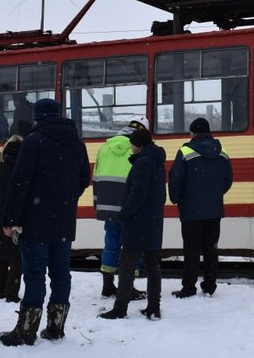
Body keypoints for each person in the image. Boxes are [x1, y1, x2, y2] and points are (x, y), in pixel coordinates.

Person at [0, 98, 90, 347]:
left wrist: (10, 219)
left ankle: (27, 331)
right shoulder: (77, 143)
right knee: (61, 273)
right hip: (63, 221)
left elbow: (20, 183)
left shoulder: (33, 141)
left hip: (35, 220)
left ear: (37, 117)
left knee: (35, 274)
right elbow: (84, 178)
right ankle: (55, 327)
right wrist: (65, 199)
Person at [99, 128, 167, 320]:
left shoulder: (142, 164)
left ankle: (120, 308)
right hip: (153, 222)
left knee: (126, 266)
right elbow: (161, 195)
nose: (131, 147)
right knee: (153, 266)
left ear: (140, 145)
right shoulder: (157, 162)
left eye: (133, 144)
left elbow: (136, 195)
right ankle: (154, 307)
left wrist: (125, 213)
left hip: (138, 222)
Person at [168, 117, 233, 299]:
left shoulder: (186, 151)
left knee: (191, 250)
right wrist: (215, 195)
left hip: (191, 211)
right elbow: (228, 180)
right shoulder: (221, 151)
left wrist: (177, 198)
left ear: (193, 133)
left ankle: (189, 287)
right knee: (211, 249)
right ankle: (210, 285)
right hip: (214, 210)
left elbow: (176, 179)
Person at [92, 115, 149, 298]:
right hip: (128, 205)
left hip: (107, 205)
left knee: (111, 243)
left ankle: (107, 285)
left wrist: (97, 204)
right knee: (130, 246)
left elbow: (96, 177)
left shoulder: (105, 146)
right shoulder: (139, 147)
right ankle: (128, 287)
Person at [0, 134, 24, 302]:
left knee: (0, 255)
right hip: (19, 211)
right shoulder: (24, 164)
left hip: (0, 212)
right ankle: (11, 293)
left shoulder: (1, 165)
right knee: (16, 256)